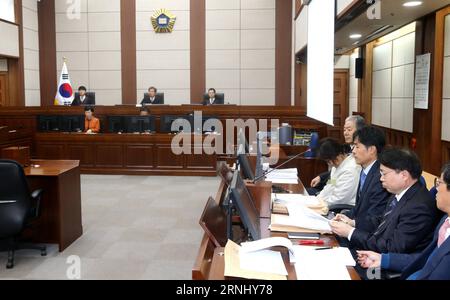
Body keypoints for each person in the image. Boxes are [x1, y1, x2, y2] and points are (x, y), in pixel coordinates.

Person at [331, 148, 439, 254]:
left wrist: (350, 232)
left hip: (381, 264)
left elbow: (391, 247)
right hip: (373, 248)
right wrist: (353, 223)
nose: (381, 178)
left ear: (404, 175)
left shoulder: (418, 207)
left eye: (384, 173)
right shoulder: (399, 192)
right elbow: (382, 222)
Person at [357, 162, 450, 280]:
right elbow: (427, 259)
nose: (436, 189)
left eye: (439, 183)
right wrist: (383, 260)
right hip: (398, 265)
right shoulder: (445, 222)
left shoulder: (418, 206)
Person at [331, 126, 391, 237]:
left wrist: (352, 223)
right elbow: (359, 207)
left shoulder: (381, 177)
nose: (353, 151)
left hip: (367, 237)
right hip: (359, 227)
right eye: (353, 146)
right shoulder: (365, 170)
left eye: (357, 146)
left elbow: (375, 218)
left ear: (372, 150)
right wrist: (344, 216)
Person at [309, 115, 365, 195]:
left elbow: (342, 180)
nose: (345, 133)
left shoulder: (359, 155)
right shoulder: (347, 148)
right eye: (344, 130)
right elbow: (335, 176)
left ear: (360, 130)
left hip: (343, 192)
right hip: (332, 187)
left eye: (349, 130)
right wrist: (321, 178)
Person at [315, 138, 361, 207]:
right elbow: (330, 185)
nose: (330, 164)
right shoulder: (335, 167)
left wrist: (319, 204)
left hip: (342, 208)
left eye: (329, 160)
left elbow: (339, 199)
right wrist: (317, 199)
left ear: (339, 154)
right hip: (330, 203)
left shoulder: (350, 170)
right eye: (327, 161)